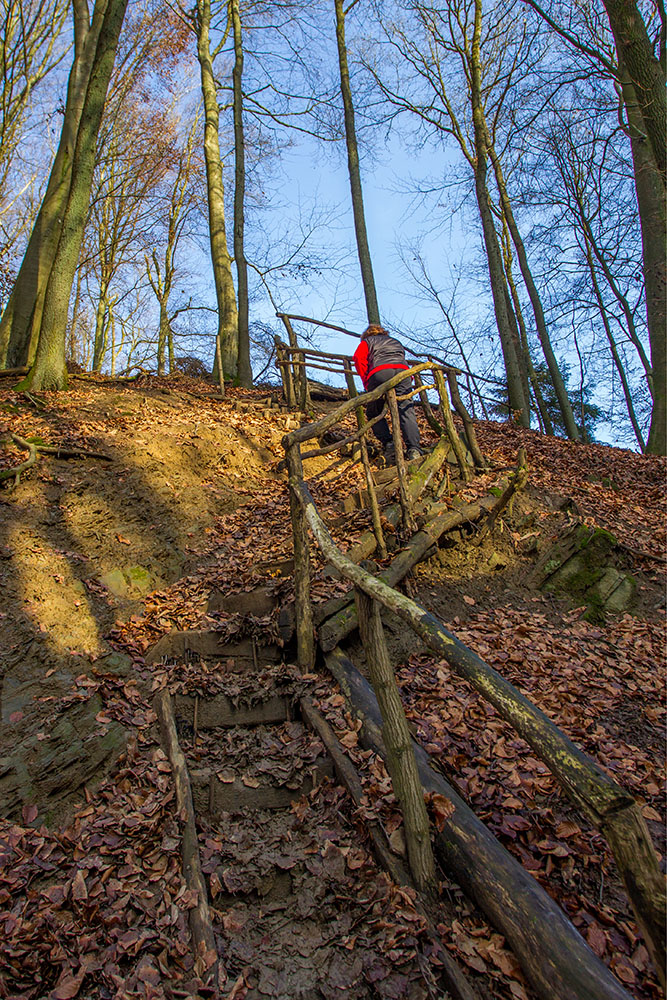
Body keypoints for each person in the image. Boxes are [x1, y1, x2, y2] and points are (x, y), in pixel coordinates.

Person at [353, 324, 422, 462]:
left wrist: (367, 381)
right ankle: (414, 449)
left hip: (380, 372)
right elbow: (401, 359)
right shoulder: (395, 342)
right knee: (406, 410)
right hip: (403, 373)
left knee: (374, 412)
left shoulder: (367, 342)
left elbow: (358, 358)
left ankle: (389, 443)